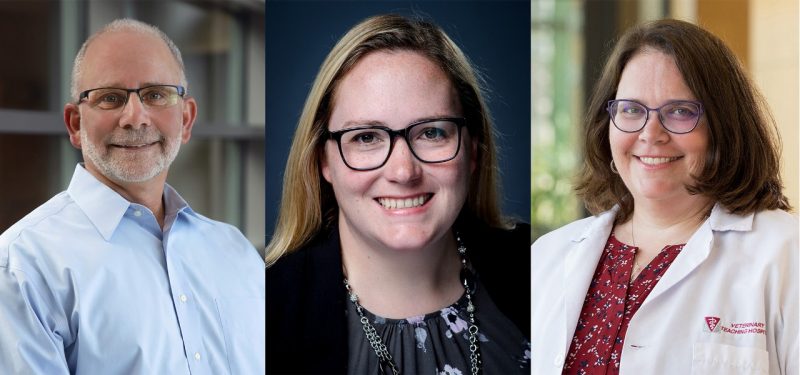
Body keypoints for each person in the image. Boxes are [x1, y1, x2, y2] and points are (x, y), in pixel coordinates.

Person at [266, 14, 530, 374]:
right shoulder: (263, 311)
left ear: (473, 150)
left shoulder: (542, 269)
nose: (403, 172)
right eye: (366, 138)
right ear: (322, 161)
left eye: (433, 133)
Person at [532, 19, 797, 374]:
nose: (650, 133)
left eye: (680, 111)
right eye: (631, 109)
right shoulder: (547, 257)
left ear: (723, 127)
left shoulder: (784, 254)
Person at [0, 19, 264, 374]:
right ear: (75, 124)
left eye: (156, 94)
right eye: (110, 98)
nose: (135, 118)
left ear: (186, 120)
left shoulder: (237, 253)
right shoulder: (22, 266)